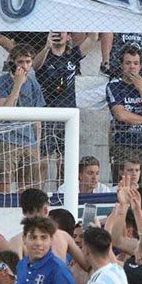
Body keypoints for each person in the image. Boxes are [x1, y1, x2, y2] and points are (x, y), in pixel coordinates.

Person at [36, 32, 94, 183]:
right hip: (48, 115)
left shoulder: (72, 56)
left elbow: (93, 37)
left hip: (68, 115)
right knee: (43, 161)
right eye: (55, 31)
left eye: (63, 31)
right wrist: (46, 47)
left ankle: (62, 196)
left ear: (69, 37)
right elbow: (34, 67)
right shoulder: (44, 56)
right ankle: (40, 195)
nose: (58, 34)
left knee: (65, 163)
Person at [0, 45, 46, 192]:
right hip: (8, 141)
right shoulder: (1, 81)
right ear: (13, 62)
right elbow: (5, 111)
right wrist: (18, 85)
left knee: (28, 188)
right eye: (21, 62)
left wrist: (37, 144)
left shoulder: (34, 84)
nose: (25, 66)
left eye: (28, 62)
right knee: (4, 185)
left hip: (29, 142)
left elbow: (37, 118)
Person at [106, 45, 142, 186]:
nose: (132, 67)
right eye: (128, 63)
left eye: (135, 63)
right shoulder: (114, 86)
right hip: (122, 144)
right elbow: (121, 115)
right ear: (121, 65)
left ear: (141, 66)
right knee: (121, 187)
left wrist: (140, 88)